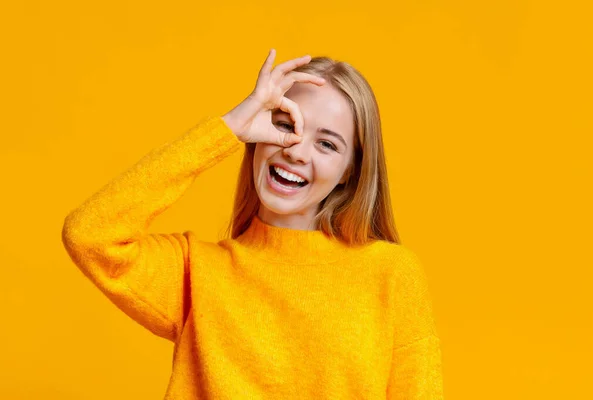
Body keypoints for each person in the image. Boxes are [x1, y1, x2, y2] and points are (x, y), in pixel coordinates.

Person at [61, 49, 444, 399]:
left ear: (349, 172)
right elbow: (90, 235)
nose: (295, 150)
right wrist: (228, 130)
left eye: (327, 144)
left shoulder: (390, 275)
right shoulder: (198, 273)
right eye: (285, 124)